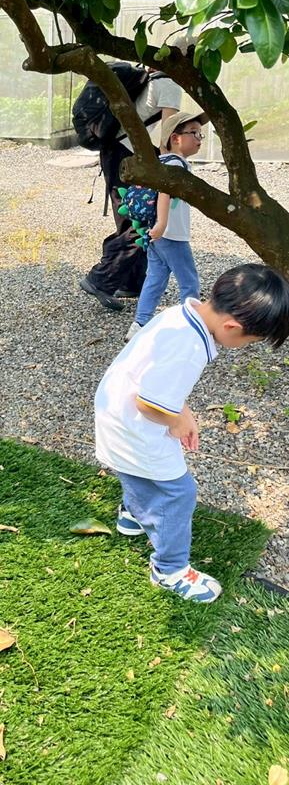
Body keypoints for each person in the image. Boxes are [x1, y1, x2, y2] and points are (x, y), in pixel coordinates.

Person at [94, 263, 289, 602]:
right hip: (134, 425)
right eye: (251, 341)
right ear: (232, 327)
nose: (246, 346)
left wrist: (181, 409)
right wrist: (175, 421)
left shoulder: (181, 315)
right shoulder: (190, 349)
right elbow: (148, 404)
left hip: (116, 412)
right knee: (179, 492)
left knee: (138, 472)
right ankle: (169, 569)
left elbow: (152, 375)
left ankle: (133, 514)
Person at [79, 68, 184, 311]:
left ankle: (132, 282)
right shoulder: (170, 84)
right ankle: (101, 279)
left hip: (115, 151)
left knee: (130, 217)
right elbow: (168, 139)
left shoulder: (154, 79)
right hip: (127, 155)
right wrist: (172, 169)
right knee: (142, 221)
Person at [126, 111, 209, 341]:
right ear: (175, 138)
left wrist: (158, 226)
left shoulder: (162, 162)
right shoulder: (175, 164)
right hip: (171, 234)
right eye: (194, 133)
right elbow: (165, 191)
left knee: (155, 279)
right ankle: (191, 328)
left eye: (200, 134)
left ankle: (139, 324)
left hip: (156, 234)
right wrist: (162, 223)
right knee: (189, 281)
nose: (199, 139)